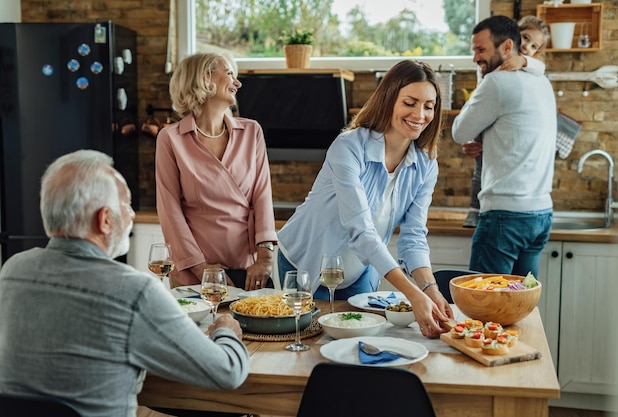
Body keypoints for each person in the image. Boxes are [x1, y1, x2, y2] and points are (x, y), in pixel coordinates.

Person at [0, 150, 249, 417]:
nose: (131, 215)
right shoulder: (135, 291)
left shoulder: (12, 270)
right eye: (126, 204)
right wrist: (225, 329)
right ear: (105, 220)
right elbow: (228, 372)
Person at [277, 60, 453, 338]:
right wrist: (412, 295)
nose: (420, 114)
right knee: (306, 347)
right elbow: (360, 230)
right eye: (409, 102)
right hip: (305, 264)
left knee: (358, 344)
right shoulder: (348, 147)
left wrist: (430, 290)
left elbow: (413, 237)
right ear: (388, 99)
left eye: (429, 106)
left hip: (359, 272)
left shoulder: (426, 165)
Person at [156, 52, 277, 291]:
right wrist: (202, 269)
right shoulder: (170, 139)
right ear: (204, 79)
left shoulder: (251, 132)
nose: (237, 83)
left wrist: (265, 258)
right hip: (196, 275)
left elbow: (262, 196)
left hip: (249, 272)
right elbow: (170, 211)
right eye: (230, 73)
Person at [452, 15, 556, 277]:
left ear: (507, 47)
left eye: (481, 49)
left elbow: (459, 131)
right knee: (521, 305)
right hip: (540, 214)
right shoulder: (543, 82)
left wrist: (487, 81)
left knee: (484, 308)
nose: (476, 57)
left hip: (505, 216)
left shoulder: (496, 82)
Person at [462, 15, 550, 228]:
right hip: (487, 115)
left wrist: (525, 60)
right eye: (526, 38)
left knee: (484, 161)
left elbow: (541, 67)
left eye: (534, 45)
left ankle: (476, 208)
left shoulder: (529, 67)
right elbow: (480, 97)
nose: (527, 47)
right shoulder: (491, 67)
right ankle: (475, 207)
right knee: (480, 163)